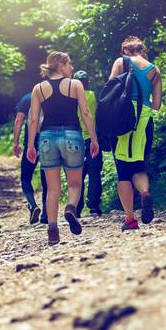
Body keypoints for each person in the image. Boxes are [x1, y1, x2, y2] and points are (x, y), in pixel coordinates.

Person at [27, 52, 100, 245]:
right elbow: (85, 113)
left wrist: (30, 145)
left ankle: (52, 229)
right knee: (75, 184)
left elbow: (33, 119)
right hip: (72, 136)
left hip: (47, 139)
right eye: (69, 64)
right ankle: (70, 208)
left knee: (52, 188)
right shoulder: (75, 84)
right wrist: (94, 139)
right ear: (61, 65)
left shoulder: (38, 89)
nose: (72, 68)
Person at [107, 36, 162, 231]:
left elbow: (110, 91)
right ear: (142, 50)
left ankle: (130, 219)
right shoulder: (154, 70)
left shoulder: (121, 62)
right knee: (139, 166)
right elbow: (156, 105)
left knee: (123, 171)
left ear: (125, 51)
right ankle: (145, 192)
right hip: (144, 120)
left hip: (122, 118)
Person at [13, 92, 48, 224]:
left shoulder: (27, 98)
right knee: (47, 179)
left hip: (30, 143)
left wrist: (15, 143)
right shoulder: (50, 96)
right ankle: (46, 214)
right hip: (48, 141)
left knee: (25, 177)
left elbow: (18, 121)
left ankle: (33, 205)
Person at [74, 70, 103, 218]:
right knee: (94, 173)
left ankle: (76, 208)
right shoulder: (93, 95)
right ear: (88, 82)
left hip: (74, 141)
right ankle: (94, 206)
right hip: (92, 139)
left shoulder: (71, 98)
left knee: (76, 175)